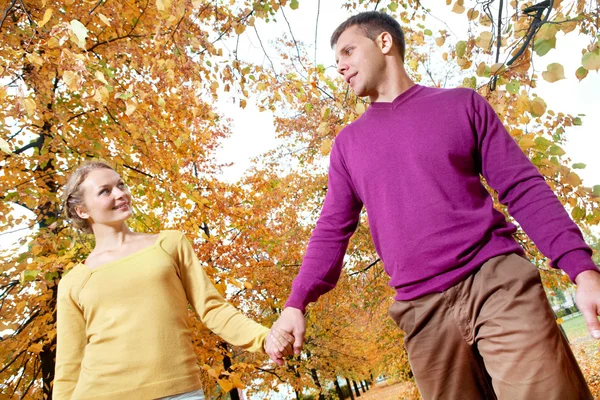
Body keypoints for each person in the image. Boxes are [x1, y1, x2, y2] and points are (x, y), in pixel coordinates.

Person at [270, 11, 600, 400]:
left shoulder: (462, 105)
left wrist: (581, 270)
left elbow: (522, 187)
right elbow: (331, 229)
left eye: (347, 50)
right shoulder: (347, 146)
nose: (340, 65)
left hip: (497, 283)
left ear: (384, 43)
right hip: (420, 312)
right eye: (336, 59)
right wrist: (297, 301)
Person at [54, 160, 292, 399]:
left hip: (178, 391)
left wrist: (264, 338)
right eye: (105, 191)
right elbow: (69, 364)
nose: (120, 194)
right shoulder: (74, 282)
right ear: (82, 210)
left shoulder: (169, 244)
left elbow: (212, 308)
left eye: (121, 185)